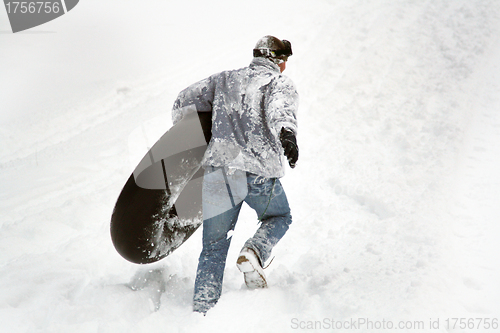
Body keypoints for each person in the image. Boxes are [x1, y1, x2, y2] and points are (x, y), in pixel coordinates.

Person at [171, 35, 299, 314]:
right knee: (280, 216)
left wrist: (190, 133)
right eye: (285, 60)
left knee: (214, 247)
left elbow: (183, 100)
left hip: (220, 171)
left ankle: (203, 310)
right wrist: (287, 135)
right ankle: (254, 251)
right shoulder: (279, 83)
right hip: (259, 173)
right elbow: (281, 111)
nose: (285, 67)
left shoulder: (224, 80)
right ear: (278, 60)